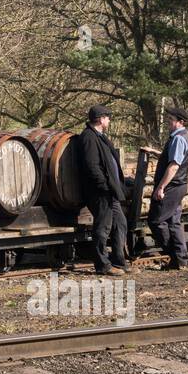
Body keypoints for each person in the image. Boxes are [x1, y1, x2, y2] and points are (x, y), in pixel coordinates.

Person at [78, 105, 128, 276]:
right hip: (100, 192)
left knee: (120, 224)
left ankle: (119, 261)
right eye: (107, 117)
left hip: (110, 191)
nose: (109, 120)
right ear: (100, 119)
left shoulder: (100, 137)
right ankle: (102, 265)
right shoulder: (88, 138)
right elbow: (92, 166)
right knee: (103, 227)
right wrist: (104, 186)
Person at [150, 107, 188, 269]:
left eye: (171, 119)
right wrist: (155, 152)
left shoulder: (178, 139)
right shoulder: (183, 136)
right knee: (174, 222)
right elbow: (174, 158)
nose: (168, 121)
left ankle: (175, 255)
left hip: (172, 187)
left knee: (156, 220)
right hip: (179, 185)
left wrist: (161, 187)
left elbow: (174, 166)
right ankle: (180, 260)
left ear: (180, 122)